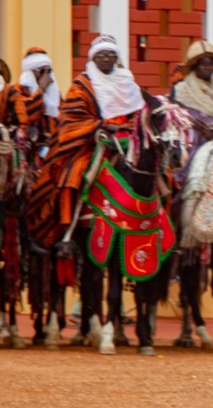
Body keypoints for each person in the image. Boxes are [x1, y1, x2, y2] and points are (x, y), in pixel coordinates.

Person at [24, 34, 151, 248]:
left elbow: (140, 112)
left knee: (161, 173)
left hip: (128, 139)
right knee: (71, 174)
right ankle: (67, 231)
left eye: (111, 55)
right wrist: (103, 126)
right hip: (92, 141)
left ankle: (161, 225)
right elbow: (72, 120)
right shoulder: (81, 84)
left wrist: (131, 127)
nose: (106, 59)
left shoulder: (127, 81)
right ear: (93, 58)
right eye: (101, 55)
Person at [172, 39, 213, 135]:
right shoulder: (181, 90)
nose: (208, 67)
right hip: (188, 139)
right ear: (195, 66)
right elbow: (173, 116)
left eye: (211, 64)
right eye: (203, 64)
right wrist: (191, 121)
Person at [18, 47, 60, 147]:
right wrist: (41, 89)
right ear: (30, 73)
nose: (46, 76)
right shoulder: (18, 90)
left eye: (48, 71)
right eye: (41, 71)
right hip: (27, 146)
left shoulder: (56, 96)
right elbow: (26, 112)